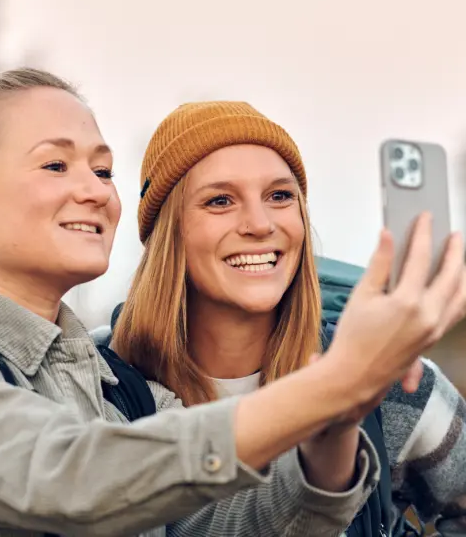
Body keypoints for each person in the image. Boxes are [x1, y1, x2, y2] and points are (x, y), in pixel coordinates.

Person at [0, 68, 442, 537]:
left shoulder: (116, 390)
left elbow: (210, 526)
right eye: (55, 164)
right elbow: (79, 477)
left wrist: (331, 435)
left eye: (102, 171)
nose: (93, 191)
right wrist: (331, 385)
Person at [112, 101, 466, 535]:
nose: (260, 224)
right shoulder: (98, 385)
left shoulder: (391, 385)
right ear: (169, 233)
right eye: (220, 200)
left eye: (280, 196)